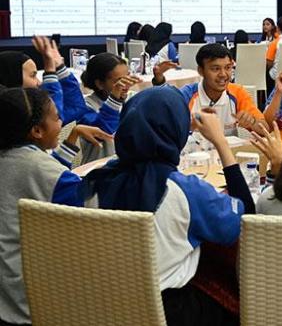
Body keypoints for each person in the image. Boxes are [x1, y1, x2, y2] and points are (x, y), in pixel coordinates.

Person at [80, 87, 253, 326]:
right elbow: (246, 221)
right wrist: (220, 142)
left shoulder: (96, 182)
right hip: (169, 311)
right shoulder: (185, 191)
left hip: (104, 306)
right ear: (177, 131)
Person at [0, 87, 111, 325]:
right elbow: (93, 209)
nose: (62, 123)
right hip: (30, 299)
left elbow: (43, 177)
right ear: (37, 131)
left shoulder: (14, 157)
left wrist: (72, 138)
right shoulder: (45, 172)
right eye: (57, 118)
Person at [152, 43, 265, 136]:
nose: (223, 74)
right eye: (215, 69)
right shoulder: (187, 95)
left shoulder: (237, 93)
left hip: (229, 155)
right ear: (201, 71)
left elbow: (265, 129)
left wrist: (252, 122)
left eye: (228, 68)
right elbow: (162, 127)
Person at [79, 52, 141, 163]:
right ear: (100, 84)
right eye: (119, 81)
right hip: (99, 167)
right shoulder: (85, 106)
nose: (126, 85)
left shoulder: (132, 98)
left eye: (127, 77)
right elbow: (102, 133)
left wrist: (158, 80)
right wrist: (115, 99)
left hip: (128, 165)